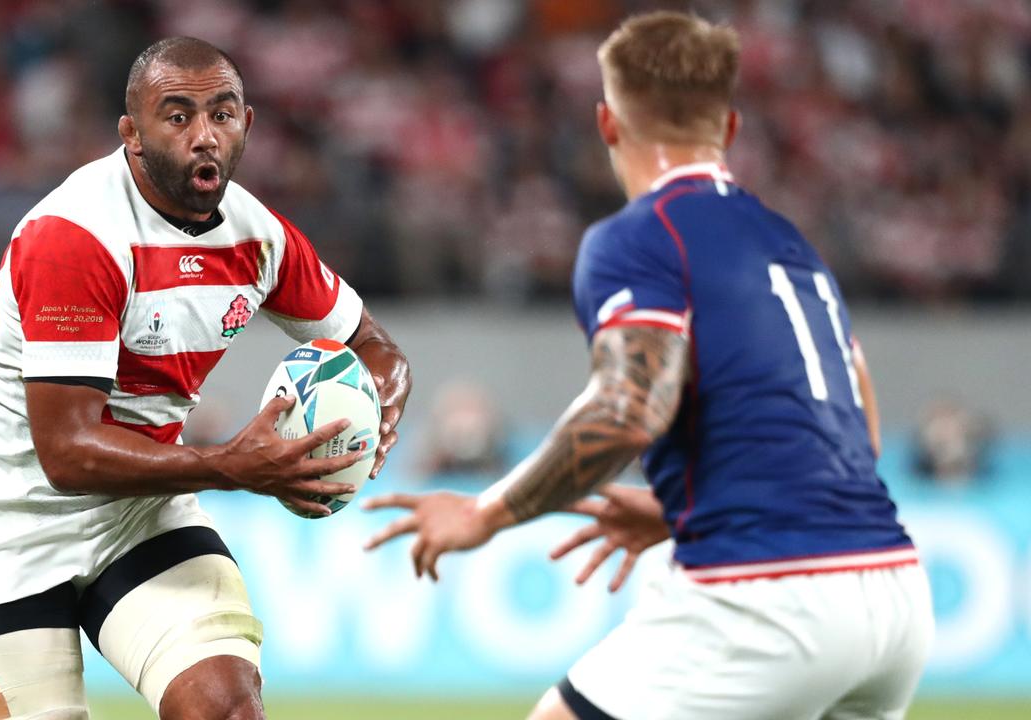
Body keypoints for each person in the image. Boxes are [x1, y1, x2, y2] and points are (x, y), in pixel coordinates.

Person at [365, 11, 931, 720]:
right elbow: (860, 437)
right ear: (729, 129)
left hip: (770, 591)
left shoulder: (639, 236)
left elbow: (629, 408)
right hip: (893, 592)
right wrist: (680, 507)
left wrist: (484, 513)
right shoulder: (793, 245)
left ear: (607, 123)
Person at [0, 37, 411, 720]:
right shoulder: (76, 236)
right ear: (133, 135)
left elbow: (375, 346)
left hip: (139, 511)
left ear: (248, 124)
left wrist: (377, 413)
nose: (204, 136)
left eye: (223, 114)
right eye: (177, 116)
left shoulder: (258, 237)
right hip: (4, 524)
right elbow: (66, 453)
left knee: (228, 712)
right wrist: (234, 467)